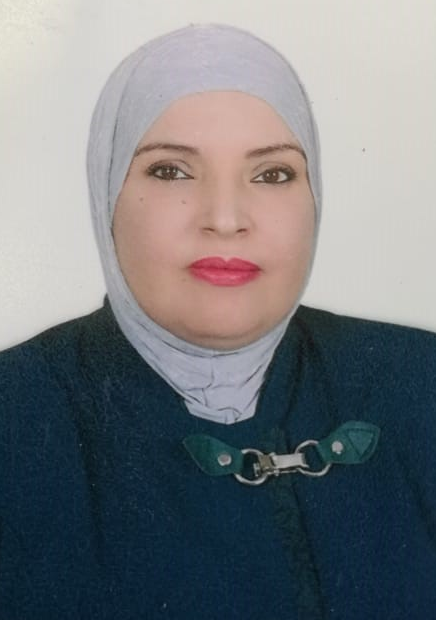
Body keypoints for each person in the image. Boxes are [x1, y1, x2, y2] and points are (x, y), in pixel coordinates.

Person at [0, 24, 435, 620]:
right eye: (171, 171)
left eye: (272, 174)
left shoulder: (419, 382)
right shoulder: (16, 417)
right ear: (107, 193)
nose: (226, 219)